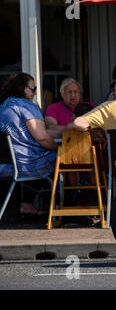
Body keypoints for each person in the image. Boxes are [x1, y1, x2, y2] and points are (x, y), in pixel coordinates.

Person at [0, 73, 58, 216]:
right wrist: (60, 149)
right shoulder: (26, 105)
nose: (35, 92)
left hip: (7, 163)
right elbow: (42, 137)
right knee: (61, 158)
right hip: (26, 163)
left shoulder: (4, 105)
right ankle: (64, 207)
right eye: (33, 88)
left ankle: (27, 203)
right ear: (23, 88)